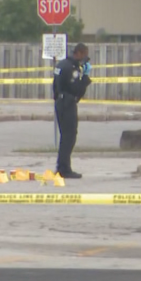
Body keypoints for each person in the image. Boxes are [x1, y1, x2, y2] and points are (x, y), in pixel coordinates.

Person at [52, 43, 92, 179]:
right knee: (69, 136)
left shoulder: (61, 64)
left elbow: (55, 86)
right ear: (79, 53)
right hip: (67, 103)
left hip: (60, 102)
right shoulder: (72, 68)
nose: (85, 59)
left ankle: (61, 166)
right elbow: (76, 89)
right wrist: (85, 77)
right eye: (84, 56)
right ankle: (64, 168)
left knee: (65, 136)